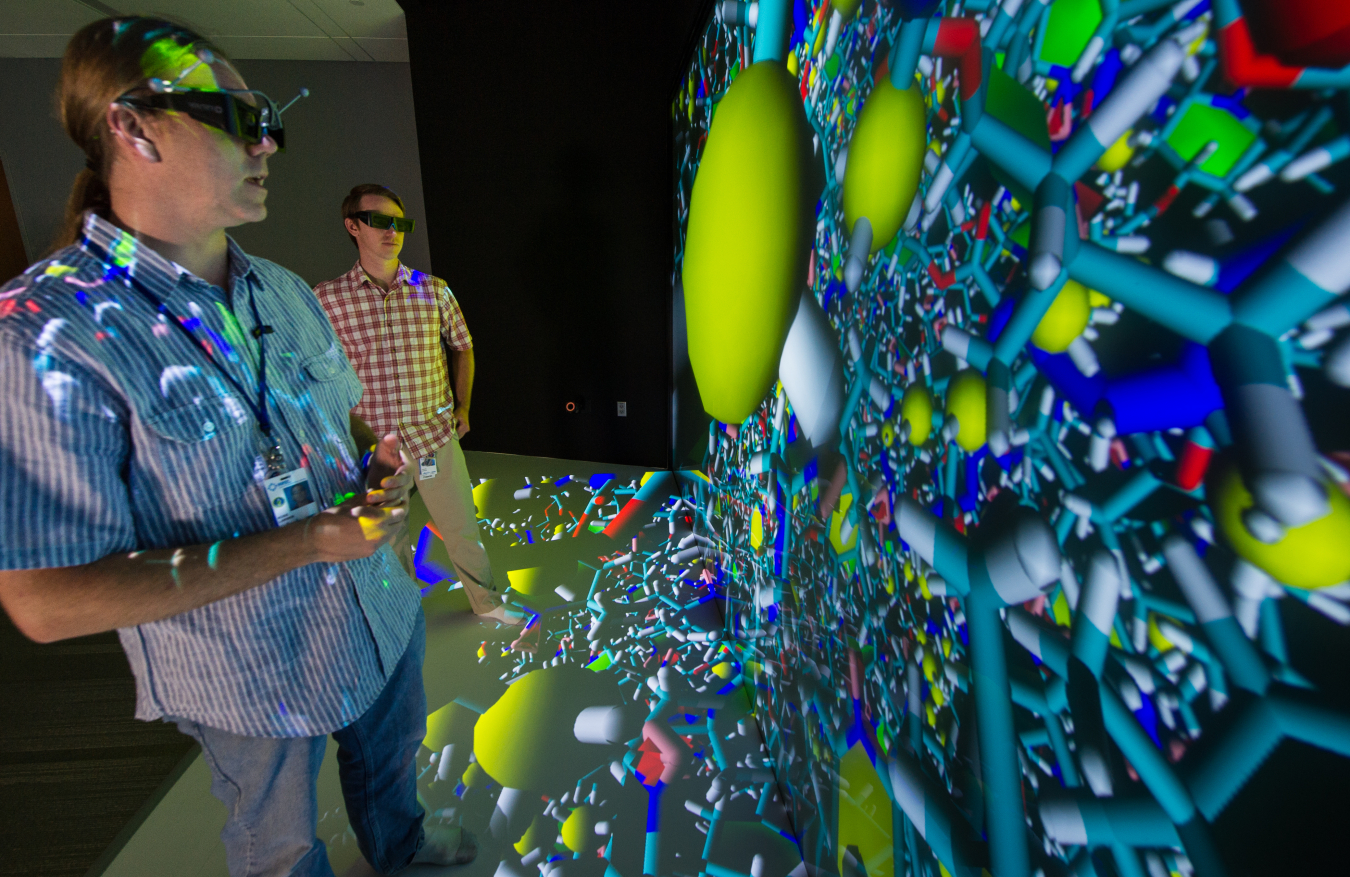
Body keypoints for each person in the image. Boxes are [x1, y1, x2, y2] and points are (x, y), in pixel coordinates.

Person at [0, 18, 475, 877]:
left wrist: (378, 463)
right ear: (132, 126)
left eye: (271, 121)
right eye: (234, 115)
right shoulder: (45, 330)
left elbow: (340, 421)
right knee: (281, 843)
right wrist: (307, 540)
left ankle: (400, 850)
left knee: (392, 761)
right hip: (249, 678)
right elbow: (44, 601)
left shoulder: (285, 290)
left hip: (376, 611)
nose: (267, 143)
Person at [313, 185, 514, 622]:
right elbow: (315, 372)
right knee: (390, 538)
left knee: (462, 527)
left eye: (399, 223)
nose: (392, 232)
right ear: (353, 226)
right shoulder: (326, 299)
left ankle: (488, 604)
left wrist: (462, 408)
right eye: (379, 221)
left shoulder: (434, 290)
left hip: (432, 438)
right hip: (377, 449)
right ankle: (404, 617)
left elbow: (463, 346)